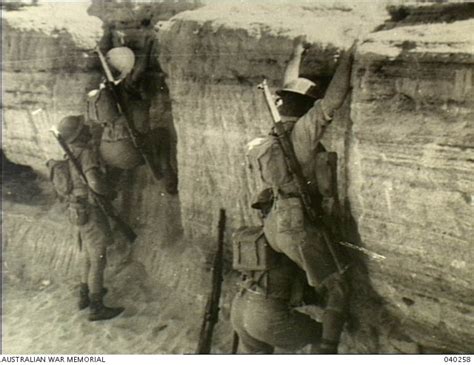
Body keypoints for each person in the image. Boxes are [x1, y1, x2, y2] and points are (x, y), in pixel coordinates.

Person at [231, 36, 355, 353]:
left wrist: (297, 55)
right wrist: (350, 55)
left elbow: (289, 88)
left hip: (274, 224)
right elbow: (332, 101)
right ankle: (327, 352)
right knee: (338, 286)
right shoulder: (300, 135)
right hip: (294, 225)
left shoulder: (270, 140)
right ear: (303, 109)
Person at [53, 115, 124, 321]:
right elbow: (94, 182)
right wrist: (108, 192)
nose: (87, 129)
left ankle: (84, 296)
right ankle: (96, 307)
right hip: (91, 210)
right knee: (98, 258)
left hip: (76, 210)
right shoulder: (86, 154)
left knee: (87, 255)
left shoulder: (70, 154)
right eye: (83, 128)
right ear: (78, 134)